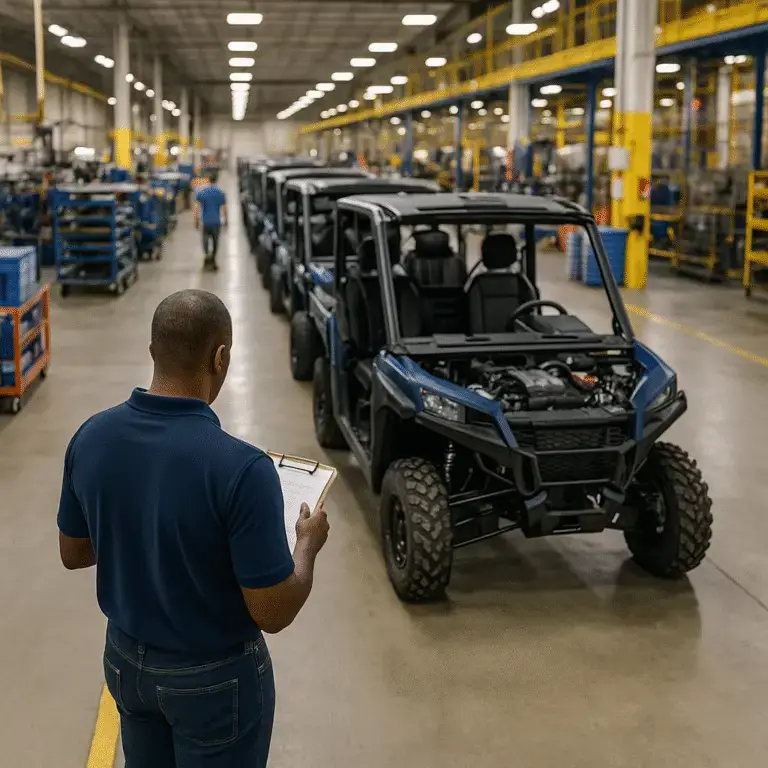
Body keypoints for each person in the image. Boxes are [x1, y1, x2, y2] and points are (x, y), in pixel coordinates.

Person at [57, 289, 330, 768]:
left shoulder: (92, 436)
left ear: (152, 351)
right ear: (220, 356)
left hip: (124, 665)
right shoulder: (241, 468)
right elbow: (272, 610)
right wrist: (306, 547)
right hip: (212, 682)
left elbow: (74, 552)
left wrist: (136, 522)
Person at [194, 174, 228, 270]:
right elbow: (224, 208)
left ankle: (207, 255)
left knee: (205, 241)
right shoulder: (220, 192)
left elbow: (196, 207)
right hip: (216, 222)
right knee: (215, 242)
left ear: (208, 180)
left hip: (206, 222)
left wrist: (196, 220)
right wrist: (226, 221)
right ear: (216, 180)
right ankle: (213, 258)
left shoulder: (202, 192)